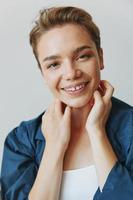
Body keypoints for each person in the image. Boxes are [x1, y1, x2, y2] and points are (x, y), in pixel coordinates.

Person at [1, 6, 133, 200]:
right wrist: (54, 146)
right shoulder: (20, 143)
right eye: (54, 64)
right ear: (43, 74)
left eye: (82, 56)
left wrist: (96, 132)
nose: (71, 73)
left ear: (100, 58)